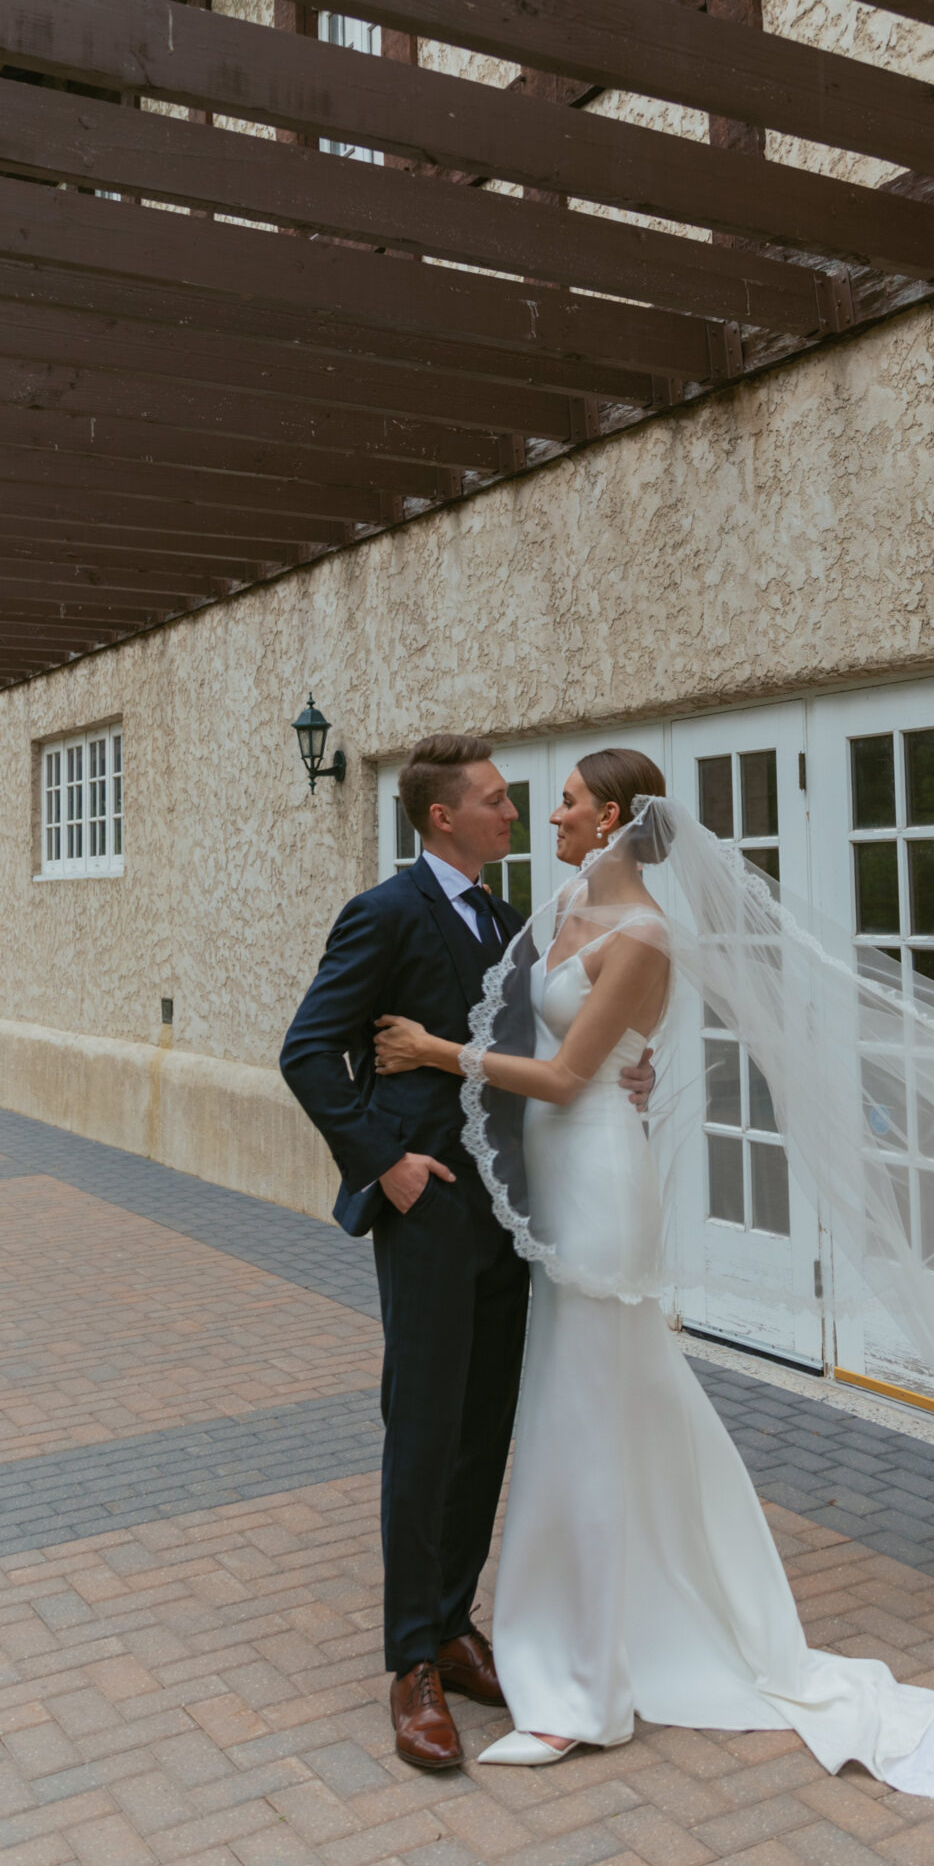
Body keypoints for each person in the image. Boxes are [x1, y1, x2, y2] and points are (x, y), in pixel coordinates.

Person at [374, 749, 934, 1795]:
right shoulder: (569, 898)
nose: (550, 814)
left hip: (600, 1184)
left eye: (569, 800)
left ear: (613, 813)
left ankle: (585, 1688)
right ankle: (592, 1623)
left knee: (586, 1412)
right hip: (552, 1181)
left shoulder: (647, 932)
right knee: (590, 1408)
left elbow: (573, 1073)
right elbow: (559, 1026)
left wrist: (437, 1052)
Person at [281, 733, 652, 1774]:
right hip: (432, 1206)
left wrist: (633, 1064)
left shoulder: (506, 914)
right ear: (443, 816)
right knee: (425, 1423)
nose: (514, 812)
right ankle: (410, 1663)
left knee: (485, 1423)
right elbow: (308, 1050)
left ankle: (454, 1620)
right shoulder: (385, 913)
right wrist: (383, 1162)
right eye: (495, 799)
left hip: (516, 1208)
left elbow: (546, 1043)